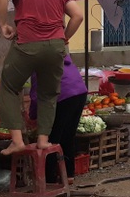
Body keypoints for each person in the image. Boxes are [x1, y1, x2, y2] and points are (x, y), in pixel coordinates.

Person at [0, 0, 84, 156]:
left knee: (9, 87)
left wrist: (3, 25)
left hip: (27, 44)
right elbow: (78, 15)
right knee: (49, 94)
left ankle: (17, 141)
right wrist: (65, 38)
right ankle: (43, 140)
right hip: (55, 47)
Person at [28, 55, 87, 185]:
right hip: (79, 92)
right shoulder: (59, 54)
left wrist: (32, 116)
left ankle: (50, 179)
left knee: (51, 138)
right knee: (68, 135)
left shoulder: (37, 62)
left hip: (63, 96)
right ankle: (69, 175)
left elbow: (36, 96)